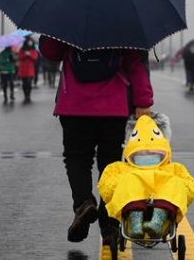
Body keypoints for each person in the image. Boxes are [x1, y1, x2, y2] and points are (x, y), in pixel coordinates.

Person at [39, 35, 153, 244]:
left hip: (74, 104)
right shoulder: (121, 25)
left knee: (77, 158)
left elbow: (50, 53)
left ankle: (83, 203)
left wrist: (52, 32)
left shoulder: (68, 22)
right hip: (113, 106)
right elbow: (135, 64)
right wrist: (143, 101)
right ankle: (109, 223)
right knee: (111, 164)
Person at [98, 115, 194, 240]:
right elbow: (107, 183)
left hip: (162, 205)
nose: (147, 157)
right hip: (133, 204)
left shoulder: (173, 169)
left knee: (174, 182)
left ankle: (158, 219)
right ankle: (135, 219)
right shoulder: (123, 168)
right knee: (128, 180)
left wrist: (177, 186)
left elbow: (190, 186)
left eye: (152, 154)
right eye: (141, 155)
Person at [17, 37, 39, 103]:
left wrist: (29, 54)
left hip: (30, 69)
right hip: (23, 68)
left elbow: (35, 58)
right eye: (29, 41)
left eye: (31, 41)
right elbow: (20, 57)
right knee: (24, 83)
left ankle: (28, 95)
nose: (30, 42)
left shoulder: (33, 50)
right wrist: (24, 54)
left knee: (29, 83)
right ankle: (25, 95)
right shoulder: (22, 50)